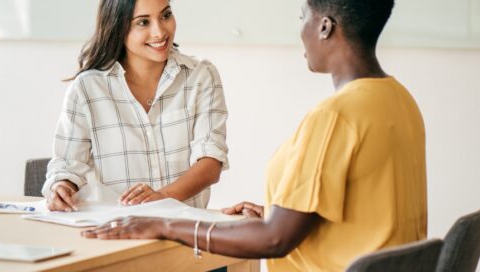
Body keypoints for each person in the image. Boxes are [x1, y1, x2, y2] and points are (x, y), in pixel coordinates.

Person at [81, 0, 428, 271]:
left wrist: (164, 226)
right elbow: (367, 214)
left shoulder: (335, 117)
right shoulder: (399, 100)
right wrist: (278, 215)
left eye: (302, 16)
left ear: (324, 27)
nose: (300, 29)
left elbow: (275, 240)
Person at [42, 0, 229, 212]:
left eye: (165, 15)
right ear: (117, 27)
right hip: (115, 229)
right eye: (143, 22)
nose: (159, 32)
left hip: (184, 230)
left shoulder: (200, 74)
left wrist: (162, 197)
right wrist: (62, 186)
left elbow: (211, 161)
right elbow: (66, 165)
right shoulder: (87, 88)